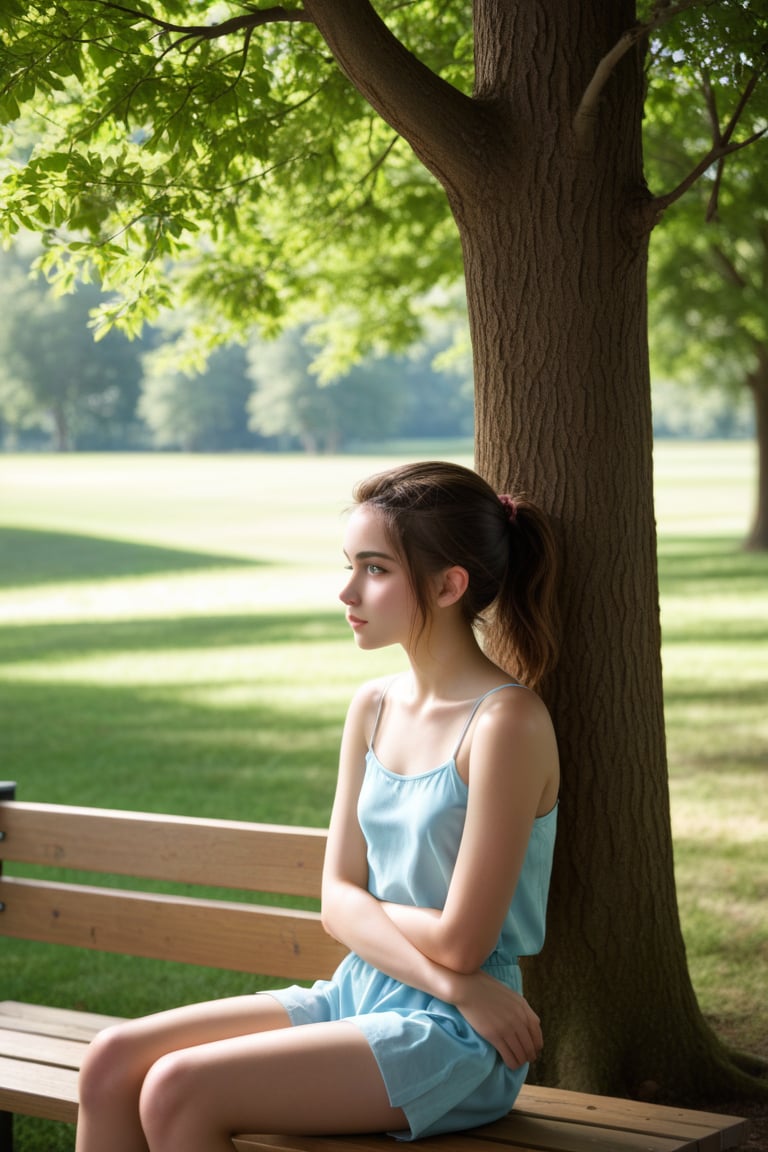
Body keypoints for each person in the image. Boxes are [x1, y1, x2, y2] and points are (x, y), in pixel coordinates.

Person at [75, 460, 560, 1152]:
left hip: (461, 1036)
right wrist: (454, 982)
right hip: (367, 991)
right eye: (350, 566)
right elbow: (334, 900)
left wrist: (451, 983)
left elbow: (463, 942)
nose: (347, 590)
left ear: (449, 584)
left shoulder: (505, 724)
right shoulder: (372, 706)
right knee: (111, 1062)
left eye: (375, 569)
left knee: (178, 1088)